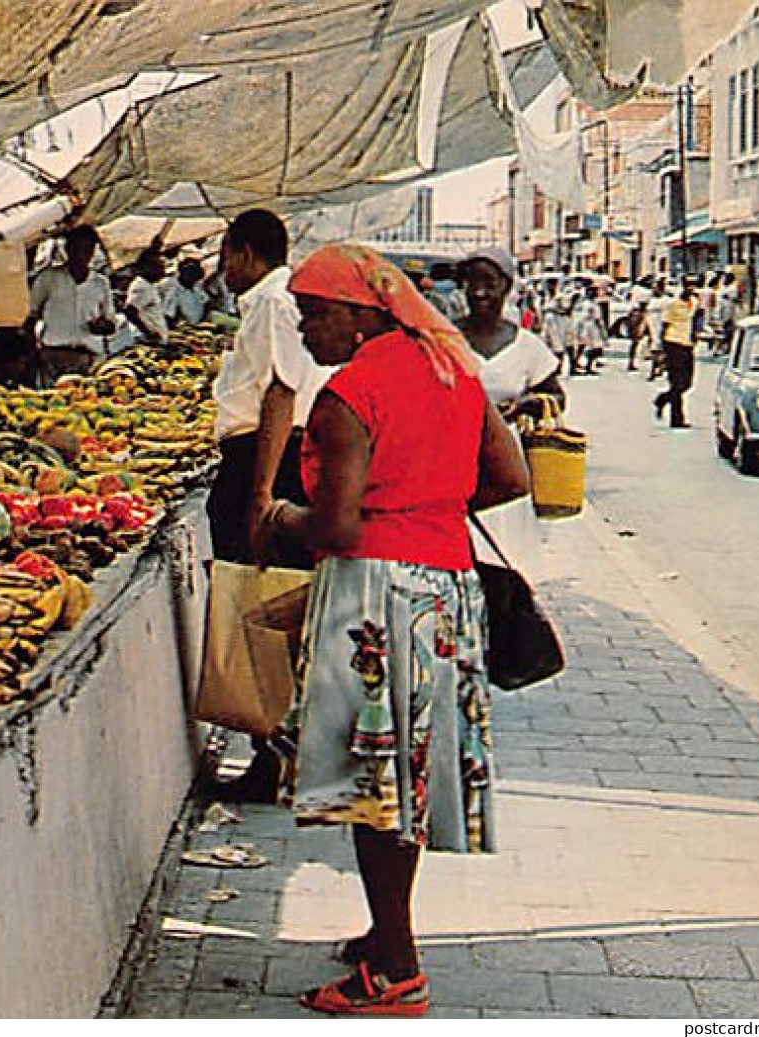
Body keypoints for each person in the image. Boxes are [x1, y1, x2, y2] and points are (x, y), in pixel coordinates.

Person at [253, 243, 529, 1017]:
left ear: (361, 312)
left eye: (315, 314)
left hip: (372, 594)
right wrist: (427, 495)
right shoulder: (452, 368)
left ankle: (396, 971)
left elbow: (335, 525)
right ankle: (386, 934)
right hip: (445, 591)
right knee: (404, 780)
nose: (307, 330)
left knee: (374, 788)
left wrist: (276, 517)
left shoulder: (348, 394)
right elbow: (510, 478)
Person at [204, 208, 321, 802]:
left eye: (226, 255)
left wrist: (261, 495)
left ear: (246, 253)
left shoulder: (274, 303)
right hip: (262, 460)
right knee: (261, 605)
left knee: (263, 606)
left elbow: (282, 391)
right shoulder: (269, 303)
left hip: (264, 460)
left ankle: (272, 762)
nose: (222, 269)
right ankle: (275, 756)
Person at [456, 248, 564, 419]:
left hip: (509, 442)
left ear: (506, 287)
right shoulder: (444, 339)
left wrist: (527, 405)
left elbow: (558, 398)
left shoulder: (527, 346)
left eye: (489, 285)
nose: (479, 293)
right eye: (472, 284)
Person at [24, 224, 117, 383]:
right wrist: (32, 350)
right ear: (67, 249)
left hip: (87, 356)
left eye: (87, 250)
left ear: (93, 252)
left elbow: (111, 323)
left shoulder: (100, 283)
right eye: (77, 249)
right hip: (53, 355)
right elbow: (30, 315)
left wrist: (101, 326)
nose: (82, 255)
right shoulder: (48, 278)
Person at [653, 281, 698, 428]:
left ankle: (663, 399)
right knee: (677, 382)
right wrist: (661, 348)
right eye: (688, 286)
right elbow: (664, 326)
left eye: (693, 286)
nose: (690, 289)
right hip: (673, 343)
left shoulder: (694, 303)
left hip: (687, 345)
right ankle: (677, 418)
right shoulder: (673, 305)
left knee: (687, 383)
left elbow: (694, 322)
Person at [122, 246, 171, 346]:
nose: (163, 271)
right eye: (159, 267)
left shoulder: (150, 285)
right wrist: (149, 332)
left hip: (155, 341)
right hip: (147, 341)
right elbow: (130, 311)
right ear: (146, 267)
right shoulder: (142, 286)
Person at [165, 256, 209, 327]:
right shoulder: (172, 288)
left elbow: (206, 301)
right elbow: (169, 315)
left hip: (197, 325)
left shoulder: (196, 287)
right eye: (189, 273)